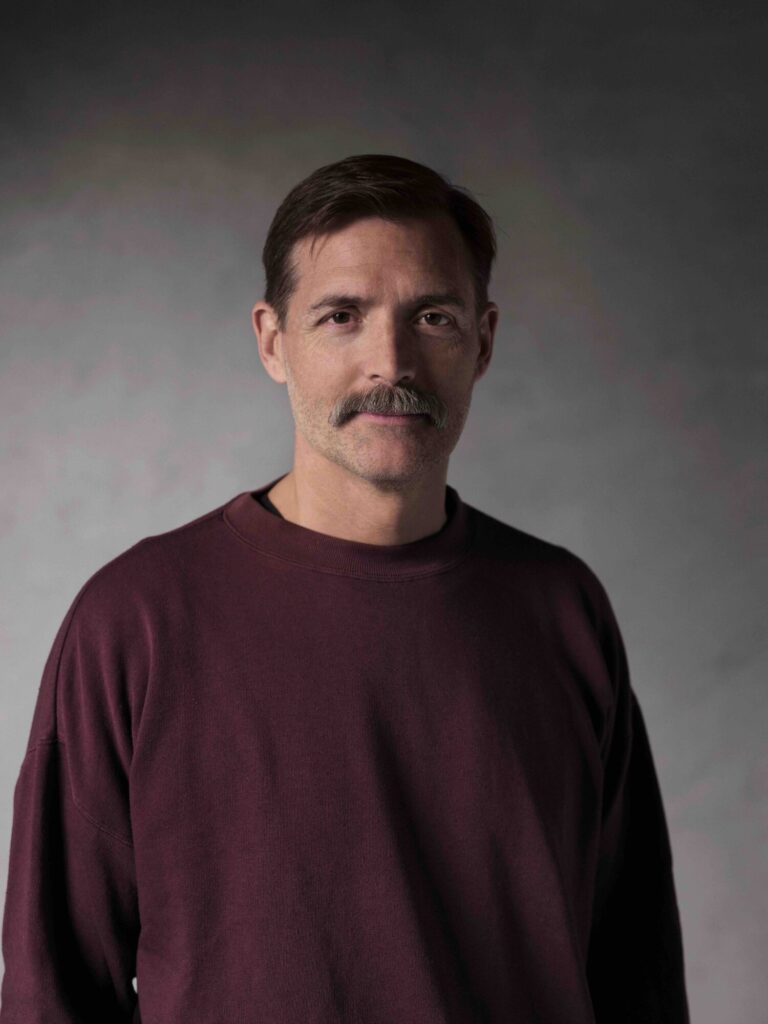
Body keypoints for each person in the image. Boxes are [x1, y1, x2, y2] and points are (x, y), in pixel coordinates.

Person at [0, 154, 689, 1022]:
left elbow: (636, 971)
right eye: (341, 316)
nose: (389, 362)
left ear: (482, 342)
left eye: (432, 317)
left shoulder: (563, 610)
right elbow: (52, 987)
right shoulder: (135, 620)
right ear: (272, 341)